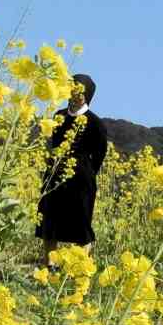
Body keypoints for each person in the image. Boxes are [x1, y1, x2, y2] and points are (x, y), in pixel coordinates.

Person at [37, 73, 107, 261]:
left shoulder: (95, 123)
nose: (75, 95)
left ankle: (80, 266)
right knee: (49, 220)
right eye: (72, 90)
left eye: (80, 92)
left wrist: (87, 173)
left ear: (87, 96)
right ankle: (50, 263)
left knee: (80, 222)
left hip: (81, 179)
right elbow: (53, 143)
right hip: (55, 174)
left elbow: (100, 154)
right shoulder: (58, 115)